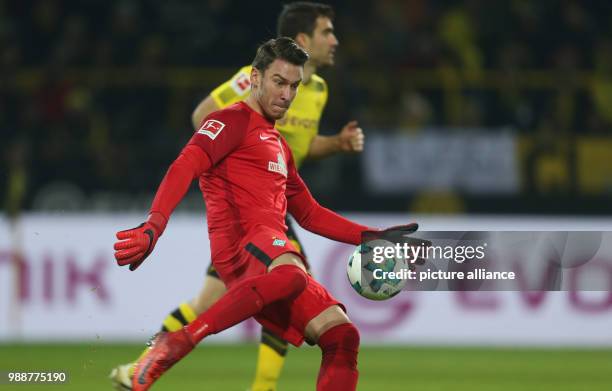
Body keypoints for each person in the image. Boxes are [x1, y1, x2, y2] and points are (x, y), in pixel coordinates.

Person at [113, 37, 419, 391]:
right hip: (241, 247)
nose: (287, 95)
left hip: (271, 255)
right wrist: (154, 225)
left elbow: (309, 213)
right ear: (255, 78)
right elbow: (185, 165)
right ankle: (179, 341)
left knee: (342, 335)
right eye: (279, 82)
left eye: (294, 86)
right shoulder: (230, 121)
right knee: (294, 274)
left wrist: (371, 236)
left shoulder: (278, 145)